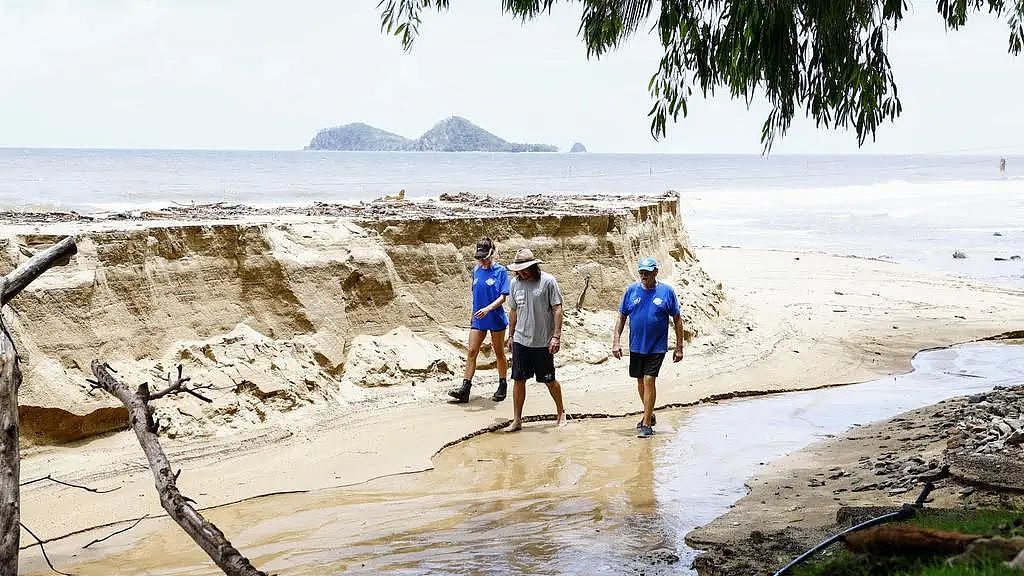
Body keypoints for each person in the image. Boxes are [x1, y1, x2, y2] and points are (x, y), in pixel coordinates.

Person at [612, 257, 685, 438]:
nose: (644, 275)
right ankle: (649, 414)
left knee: (649, 380)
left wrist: (679, 347)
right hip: (636, 346)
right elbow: (622, 316)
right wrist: (616, 341)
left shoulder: (667, 292)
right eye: (641, 272)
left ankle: (646, 424)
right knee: (640, 381)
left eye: (647, 272)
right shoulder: (631, 291)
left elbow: (677, 319)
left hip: (657, 347)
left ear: (655, 272)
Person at [504, 248, 567, 431]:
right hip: (521, 341)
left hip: (543, 342)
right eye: (518, 270)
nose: (521, 272)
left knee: (549, 380)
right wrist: (510, 335)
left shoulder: (548, 281)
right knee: (518, 380)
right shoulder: (515, 283)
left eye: (524, 269)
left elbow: (557, 309)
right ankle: (517, 419)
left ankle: (561, 412)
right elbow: (513, 311)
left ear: (534, 267)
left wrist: (556, 336)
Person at [448, 237, 511, 403]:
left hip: (495, 317)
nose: (482, 260)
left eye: (485, 257)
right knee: (471, 351)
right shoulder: (476, 270)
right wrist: (475, 313)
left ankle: (502, 384)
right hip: (478, 319)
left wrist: (489, 308)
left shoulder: (501, 271)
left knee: (498, 352)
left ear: (492, 253)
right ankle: (465, 388)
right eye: (480, 257)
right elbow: (475, 294)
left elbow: (504, 297)